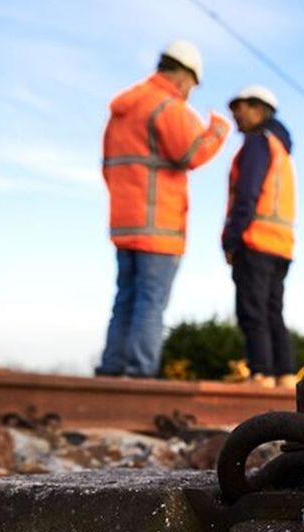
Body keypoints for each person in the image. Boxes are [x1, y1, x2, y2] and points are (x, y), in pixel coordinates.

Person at [97, 40, 231, 377]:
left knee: (125, 300)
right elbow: (190, 154)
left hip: (125, 223)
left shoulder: (125, 109)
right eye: (192, 85)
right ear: (184, 76)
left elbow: (109, 167)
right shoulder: (166, 106)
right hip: (160, 226)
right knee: (151, 302)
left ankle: (112, 370)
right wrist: (217, 131)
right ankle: (140, 374)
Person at [223, 85, 297, 388]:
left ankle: (261, 375)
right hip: (281, 245)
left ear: (258, 109)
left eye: (239, 108)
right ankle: (285, 376)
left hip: (256, 241)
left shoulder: (257, 143)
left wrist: (231, 239)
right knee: (272, 312)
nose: (235, 115)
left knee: (252, 311)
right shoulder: (280, 148)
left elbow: (247, 194)